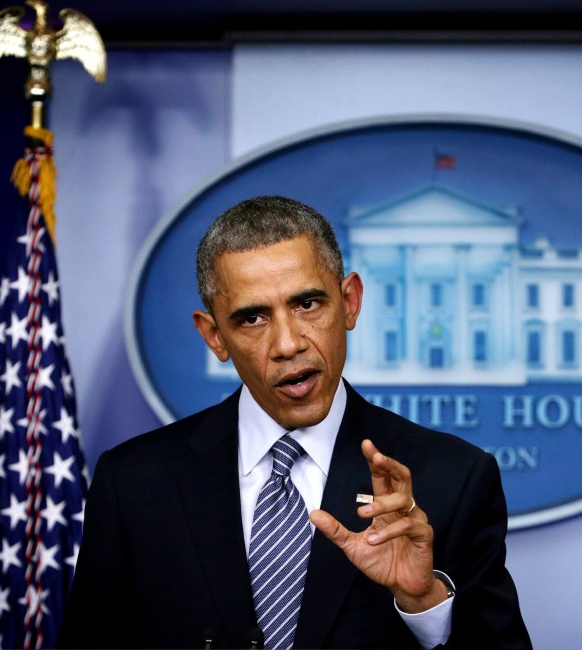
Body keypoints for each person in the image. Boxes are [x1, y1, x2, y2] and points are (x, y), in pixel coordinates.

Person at [57, 195, 532, 649]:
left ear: (349, 302)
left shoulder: (454, 478)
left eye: (307, 304)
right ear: (214, 336)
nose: (287, 343)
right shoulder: (134, 482)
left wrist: (423, 602)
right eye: (252, 318)